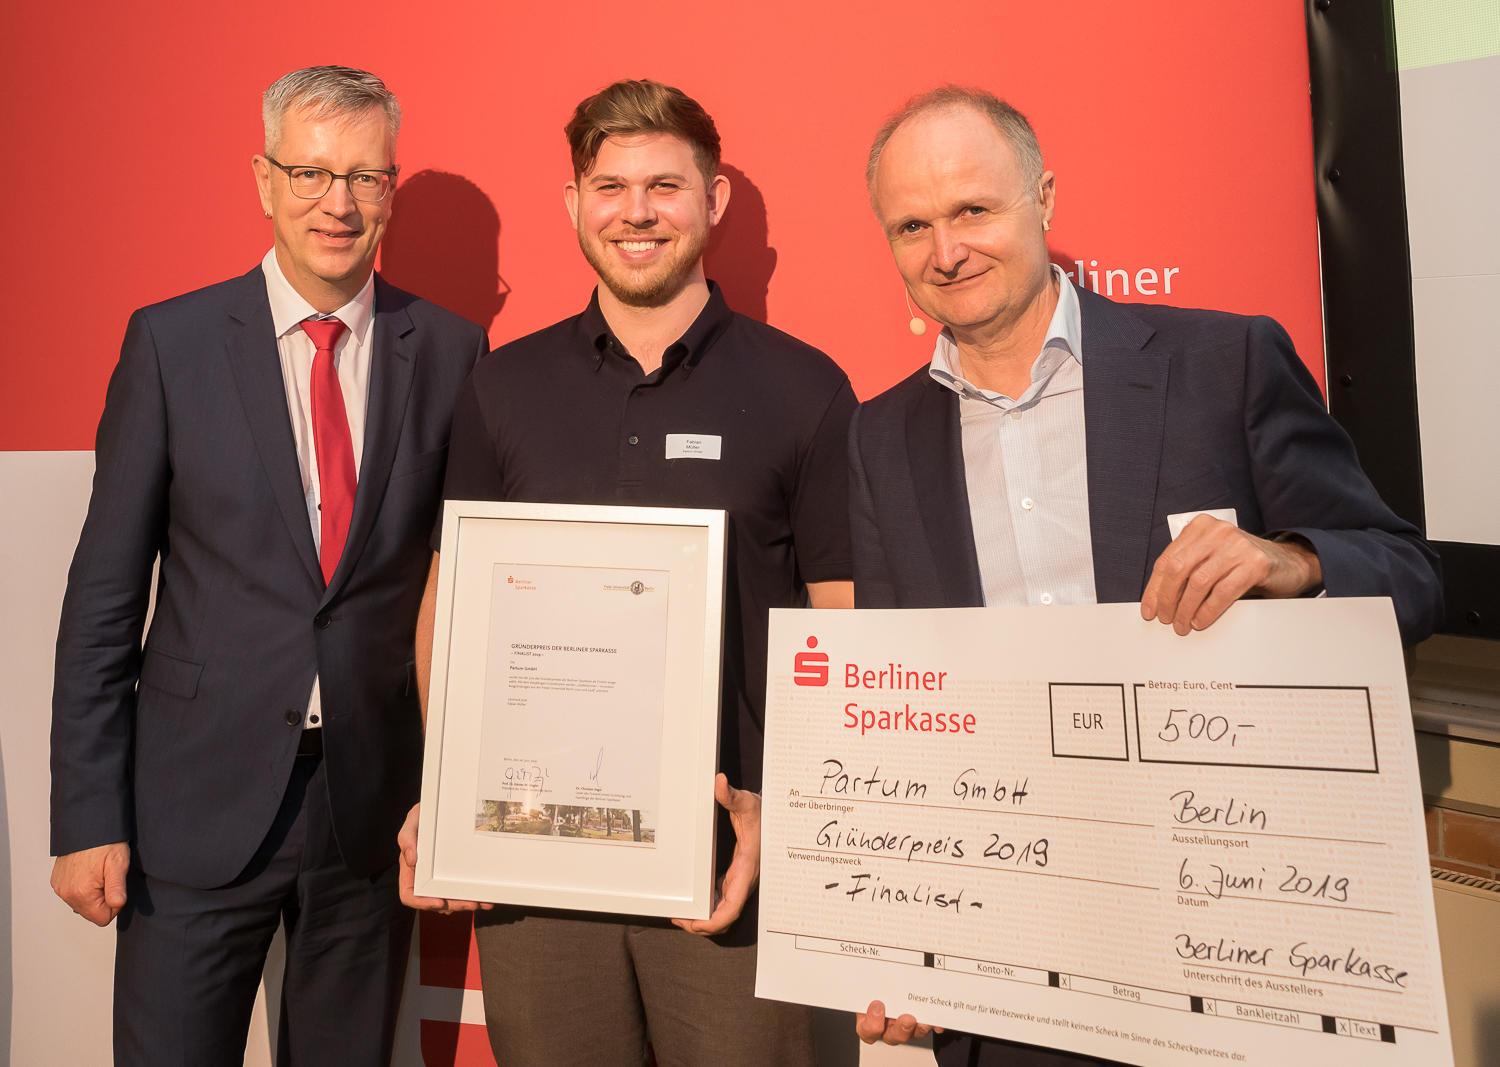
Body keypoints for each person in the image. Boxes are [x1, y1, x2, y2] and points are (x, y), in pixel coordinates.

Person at [849, 87, 1442, 1066]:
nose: (944, 250)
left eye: (973, 210)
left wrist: (1294, 561)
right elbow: (902, 702)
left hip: (1242, 941)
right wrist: (898, 936)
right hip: (1017, 973)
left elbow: (1410, 575)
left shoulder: (1224, 360)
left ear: (1043, 197)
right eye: (911, 224)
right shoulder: (879, 436)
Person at [397, 78, 856, 1066]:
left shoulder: (805, 388)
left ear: (714, 199)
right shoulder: (500, 386)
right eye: (608, 186)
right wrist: (448, 783)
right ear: (572, 204)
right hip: (534, 863)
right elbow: (452, 603)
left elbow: (841, 622)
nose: (635, 213)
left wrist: (800, 811)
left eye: (664, 185)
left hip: (733, 859)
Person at [48, 65, 488, 1065]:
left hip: (369, 818)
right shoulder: (173, 343)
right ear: (263, 179)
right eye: (311, 171)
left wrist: (457, 790)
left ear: (391, 189)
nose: (338, 202)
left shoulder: (456, 351)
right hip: (190, 811)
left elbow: (464, 593)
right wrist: (85, 812)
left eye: (366, 177)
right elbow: (104, 600)